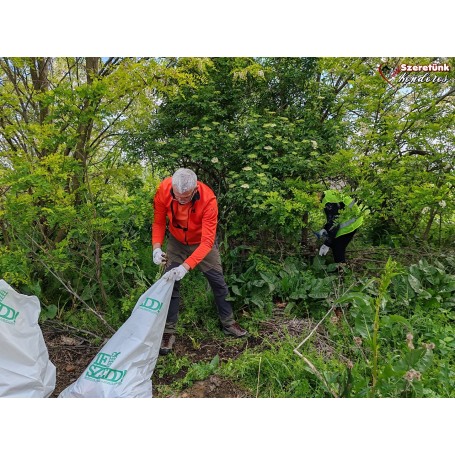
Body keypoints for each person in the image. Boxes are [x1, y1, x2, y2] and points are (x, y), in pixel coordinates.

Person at [152, 168, 247, 355]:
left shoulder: (208, 200)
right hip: (176, 241)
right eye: (177, 196)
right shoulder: (163, 189)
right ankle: (168, 331)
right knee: (170, 283)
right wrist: (156, 247)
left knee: (218, 282)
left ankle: (228, 323)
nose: (181, 201)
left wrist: (186, 267)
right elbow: (159, 222)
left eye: (185, 198)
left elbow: (207, 242)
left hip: (202, 243)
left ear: (195, 190)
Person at [317, 190, 364, 264]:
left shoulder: (328, 202)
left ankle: (341, 270)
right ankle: (339, 266)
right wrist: (325, 229)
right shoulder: (327, 195)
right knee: (334, 243)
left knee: (337, 245)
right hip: (352, 219)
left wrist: (326, 244)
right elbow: (332, 219)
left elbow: (335, 224)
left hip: (351, 222)